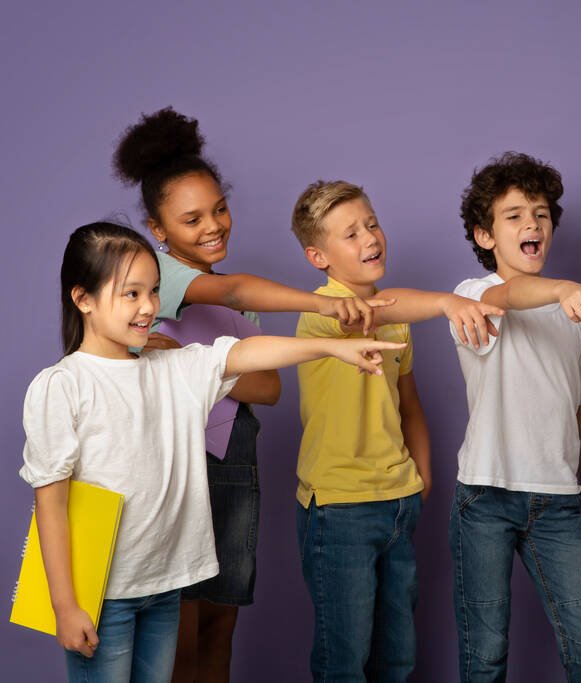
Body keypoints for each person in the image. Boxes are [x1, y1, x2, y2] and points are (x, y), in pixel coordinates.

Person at [20, 221, 403, 683]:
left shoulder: (175, 367)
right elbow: (51, 504)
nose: (149, 308)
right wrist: (65, 605)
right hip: (101, 593)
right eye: (131, 294)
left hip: (164, 588)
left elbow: (248, 353)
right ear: (83, 299)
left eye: (154, 291)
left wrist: (331, 348)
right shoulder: (63, 386)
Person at [112, 107, 389, 683]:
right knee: (178, 628)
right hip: (181, 467)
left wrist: (188, 361)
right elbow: (234, 295)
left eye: (218, 209)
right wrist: (322, 304)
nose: (213, 226)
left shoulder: (238, 298)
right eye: (191, 220)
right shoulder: (156, 279)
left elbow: (268, 386)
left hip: (234, 463)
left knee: (220, 624)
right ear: (158, 231)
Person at [289, 179, 503, 682]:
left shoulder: (397, 319)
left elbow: (409, 405)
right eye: (350, 234)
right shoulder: (320, 314)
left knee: (397, 655)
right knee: (343, 660)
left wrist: (421, 476)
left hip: (397, 501)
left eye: (372, 224)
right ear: (318, 256)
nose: (369, 238)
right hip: (338, 508)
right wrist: (448, 303)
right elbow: (375, 310)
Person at [448, 152, 581, 682]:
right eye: (515, 215)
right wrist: (563, 289)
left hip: (560, 506)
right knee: (486, 655)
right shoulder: (472, 298)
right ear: (485, 236)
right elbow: (512, 294)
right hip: (485, 498)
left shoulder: (577, 314)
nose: (532, 224)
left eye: (542, 214)